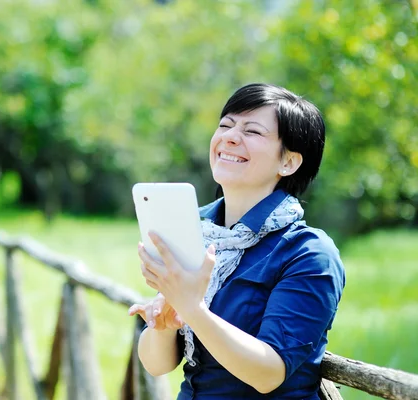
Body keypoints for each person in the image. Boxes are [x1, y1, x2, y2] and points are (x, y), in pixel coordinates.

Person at [128, 83, 345, 399]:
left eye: (253, 132)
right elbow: (158, 364)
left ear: (289, 162)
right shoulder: (194, 231)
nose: (229, 137)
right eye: (225, 125)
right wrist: (165, 325)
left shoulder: (308, 253)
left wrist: (193, 308)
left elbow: (269, 373)